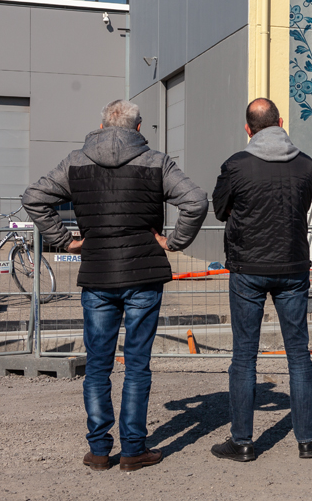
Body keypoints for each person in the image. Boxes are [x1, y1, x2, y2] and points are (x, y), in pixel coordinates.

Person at [22, 99, 208, 472]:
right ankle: (134, 449)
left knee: (98, 366)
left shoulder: (75, 161)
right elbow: (196, 200)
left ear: (103, 125)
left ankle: (99, 450)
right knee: (137, 366)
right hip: (143, 274)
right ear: (138, 129)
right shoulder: (156, 162)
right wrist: (173, 242)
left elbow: (34, 197)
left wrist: (64, 240)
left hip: (98, 275)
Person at [210, 98, 312, 462]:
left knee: (244, 356)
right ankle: (306, 440)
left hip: (248, 268)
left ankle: (242, 442)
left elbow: (220, 209)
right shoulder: (306, 165)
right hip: (292, 266)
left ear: (248, 128)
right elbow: (299, 207)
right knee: (299, 354)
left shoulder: (236, 166)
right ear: (281, 122)